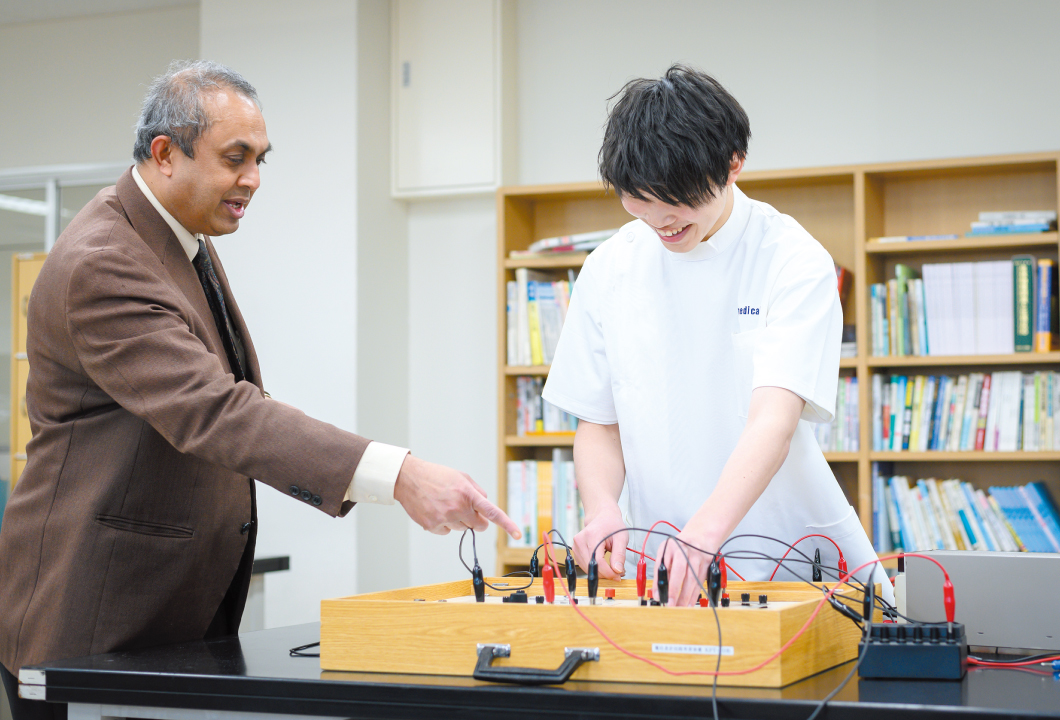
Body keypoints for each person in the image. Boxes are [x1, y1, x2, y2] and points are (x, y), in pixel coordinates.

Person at [0, 60, 518, 719]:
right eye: (236, 159)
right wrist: (400, 475)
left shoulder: (179, 235)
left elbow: (232, 397)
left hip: (166, 615)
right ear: (165, 154)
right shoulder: (104, 261)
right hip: (90, 616)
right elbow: (217, 411)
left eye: (261, 160)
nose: (253, 180)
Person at [543, 65, 892, 608]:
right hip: (663, 558)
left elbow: (773, 421)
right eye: (638, 200)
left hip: (791, 556)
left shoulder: (793, 261)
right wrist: (602, 509)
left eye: (676, 200)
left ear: (734, 164)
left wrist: (704, 534)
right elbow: (600, 421)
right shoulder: (611, 266)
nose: (660, 221)